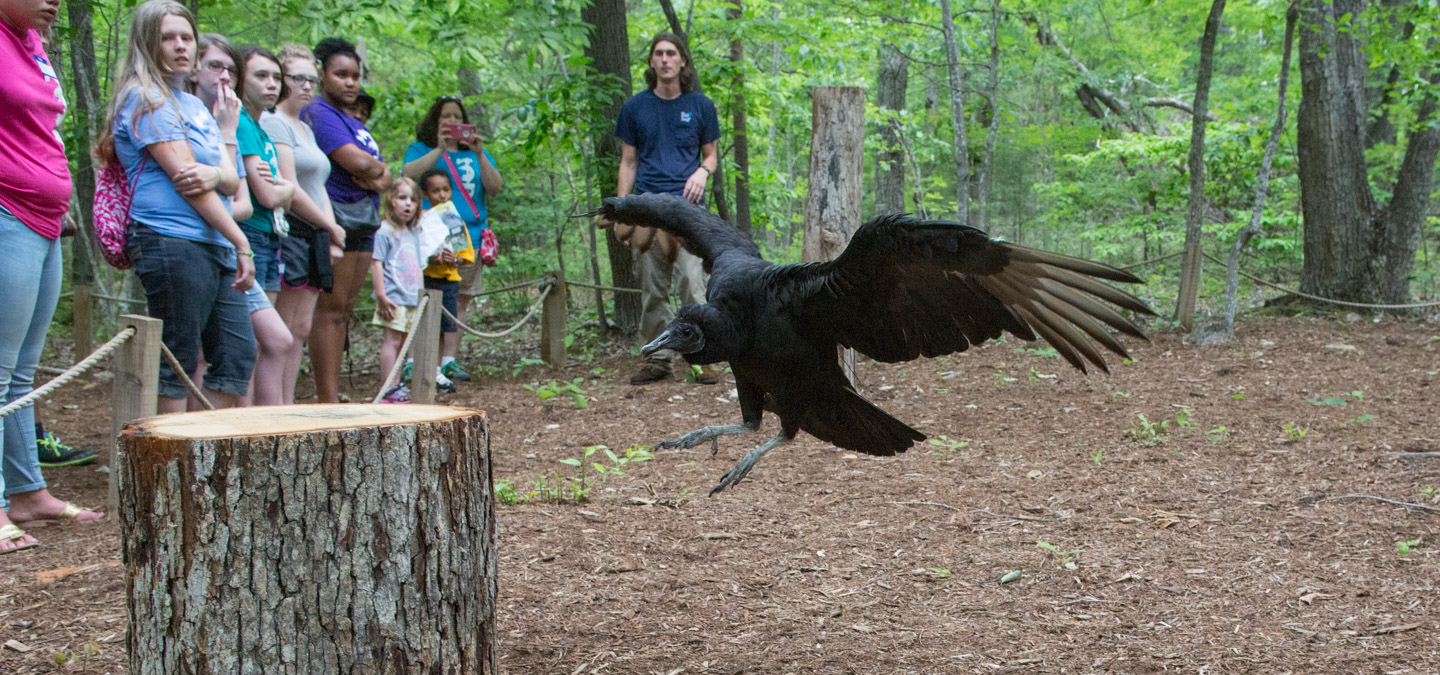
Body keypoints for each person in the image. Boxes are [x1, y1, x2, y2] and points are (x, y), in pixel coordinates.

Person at [98, 1, 256, 416]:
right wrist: (240, 238)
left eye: (187, 38)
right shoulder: (145, 97)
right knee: (178, 359)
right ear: (147, 42)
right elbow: (190, 184)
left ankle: (209, 453)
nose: (180, 46)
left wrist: (221, 149)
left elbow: (231, 180)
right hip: (168, 239)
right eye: (168, 37)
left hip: (212, 239)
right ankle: (172, 471)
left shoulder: (193, 106)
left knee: (237, 353)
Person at [0, 0, 105, 552]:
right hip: (5, 211)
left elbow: (39, 130)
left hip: (44, 219)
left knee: (21, 370)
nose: (55, 1)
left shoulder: (32, 44)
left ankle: (27, 492)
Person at [601, 32, 721, 386]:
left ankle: (704, 358)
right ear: (651, 62)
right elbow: (628, 161)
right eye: (659, 54)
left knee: (691, 283)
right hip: (648, 211)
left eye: (672, 53)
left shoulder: (701, 106)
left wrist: (702, 171)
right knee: (653, 289)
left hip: (689, 212)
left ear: (682, 61)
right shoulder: (635, 108)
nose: (666, 59)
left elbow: (711, 155)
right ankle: (657, 362)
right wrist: (623, 213)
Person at [302, 37, 391, 403]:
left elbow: (383, 176)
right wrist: (374, 172)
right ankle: (327, 398)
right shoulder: (319, 113)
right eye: (341, 74)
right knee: (331, 308)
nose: (351, 83)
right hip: (335, 214)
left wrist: (377, 174)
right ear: (322, 74)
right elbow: (361, 165)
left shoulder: (353, 121)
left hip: (364, 217)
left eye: (355, 76)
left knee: (345, 309)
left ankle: (333, 394)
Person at [260, 43, 346, 405]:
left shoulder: (305, 127)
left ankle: (289, 402)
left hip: (314, 232)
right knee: (281, 327)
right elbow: (290, 186)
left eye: (312, 79)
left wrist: (330, 231)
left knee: (301, 327)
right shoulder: (274, 122)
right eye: (298, 78)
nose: (307, 86)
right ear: (283, 80)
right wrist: (331, 225)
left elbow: (318, 184)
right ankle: (274, 405)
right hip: (290, 230)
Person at [402, 95, 502, 383]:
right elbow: (408, 174)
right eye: (446, 116)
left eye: (458, 116)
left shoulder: (475, 154)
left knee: (460, 299)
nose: (453, 121)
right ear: (435, 120)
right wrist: (439, 149)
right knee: (427, 297)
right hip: (431, 235)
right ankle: (416, 361)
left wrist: (480, 153)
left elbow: (495, 187)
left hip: (467, 236)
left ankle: (448, 361)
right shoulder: (421, 149)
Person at [234, 44, 295, 406]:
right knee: (254, 339)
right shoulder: (239, 122)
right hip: (250, 234)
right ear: (240, 79)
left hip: (272, 234)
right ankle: (254, 425)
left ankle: (268, 421)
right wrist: (282, 188)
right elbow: (270, 195)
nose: (271, 84)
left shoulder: (262, 128)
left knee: (266, 340)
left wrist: (282, 187)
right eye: (261, 76)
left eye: (276, 77)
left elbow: (283, 189)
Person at [413, 169, 473, 393]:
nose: (441, 195)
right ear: (426, 194)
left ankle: (436, 369)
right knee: (423, 324)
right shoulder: (422, 218)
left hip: (448, 280)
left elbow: (465, 256)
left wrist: (453, 259)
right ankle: (417, 367)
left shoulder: (453, 219)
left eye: (445, 189)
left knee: (441, 327)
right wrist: (429, 257)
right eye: (435, 191)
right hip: (426, 278)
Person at [370, 178, 424, 403]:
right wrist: (381, 295)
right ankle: (387, 388)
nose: (407, 204)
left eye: (412, 199)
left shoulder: (413, 233)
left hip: (411, 297)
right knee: (391, 341)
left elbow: (418, 267)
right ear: (391, 201)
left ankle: (396, 383)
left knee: (404, 343)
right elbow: (376, 263)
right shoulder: (385, 231)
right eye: (402, 198)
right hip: (393, 297)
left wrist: (422, 295)